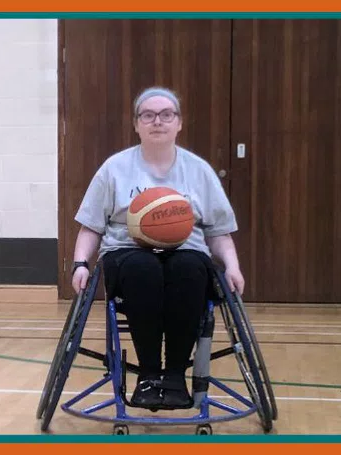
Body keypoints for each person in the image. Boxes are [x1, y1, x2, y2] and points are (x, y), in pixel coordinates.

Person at [71, 86, 245, 410]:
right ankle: (149, 374)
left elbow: (219, 232)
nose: (157, 122)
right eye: (148, 115)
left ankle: (175, 376)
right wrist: (80, 263)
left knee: (191, 269)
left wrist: (232, 266)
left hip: (186, 248)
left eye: (166, 115)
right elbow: (91, 226)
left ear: (179, 123)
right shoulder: (114, 168)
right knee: (144, 268)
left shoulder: (199, 170)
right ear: (136, 124)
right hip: (127, 250)